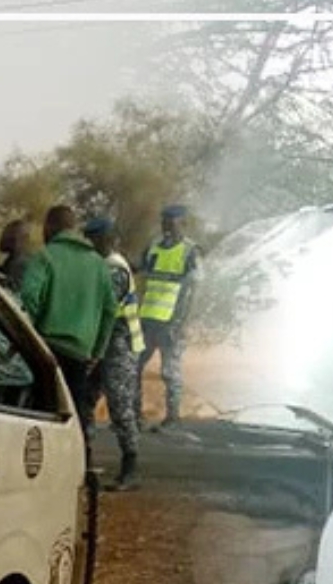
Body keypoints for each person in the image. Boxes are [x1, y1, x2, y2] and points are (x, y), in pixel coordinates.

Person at [18, 205, 116, 460]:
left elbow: (29, 297)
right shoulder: (98, 264)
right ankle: (79, 464)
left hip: (45, 349)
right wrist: (97, 351)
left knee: (40, 415)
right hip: (81, 353)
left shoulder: (45, 257)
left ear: (50, 227)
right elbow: (109, 311)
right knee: (74, 412)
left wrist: (28, 335)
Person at [83, 215, 145, 492]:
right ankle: (85, 463)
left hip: (120, 343)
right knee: (85, 402)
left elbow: (105, 311)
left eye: (98, 238)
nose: (94, 243)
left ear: (108, 239)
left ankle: (130, 467)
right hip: (99, 344)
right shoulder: (99, 265)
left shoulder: (113, 269)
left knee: (120, 406)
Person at [137, 203, 201, 430]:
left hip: (171, 321)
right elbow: (141, 276)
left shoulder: (189, 251)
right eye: (164, 221)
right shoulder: (153, 247)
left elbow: (193, 291)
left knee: (169, 371)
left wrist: (182, 322)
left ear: (182, 223)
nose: (166, 227)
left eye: (171, 222)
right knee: (134, 366)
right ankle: (135, 415)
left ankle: (172, 417)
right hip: (147, 319)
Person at [0, 219, 33, 292]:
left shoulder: (21, 264)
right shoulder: (13, 260)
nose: (4, 238)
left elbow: (10, 292)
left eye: (11, 236)